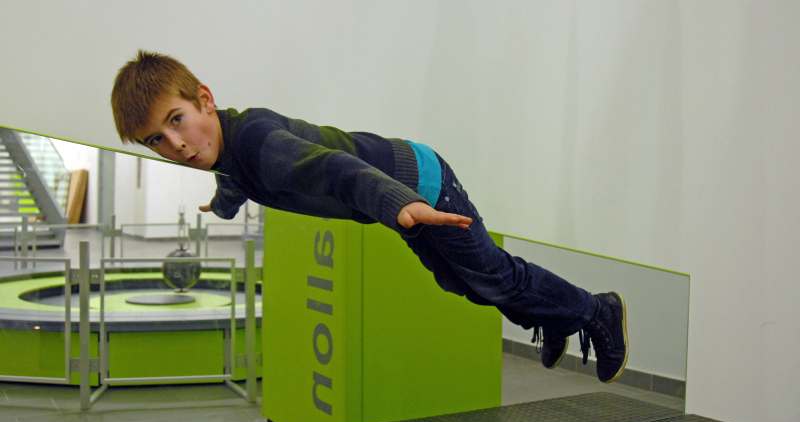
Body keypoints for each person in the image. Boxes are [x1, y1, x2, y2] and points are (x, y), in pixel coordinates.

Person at [110, 50, 628, 383]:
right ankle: (552, 317)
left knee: (493, 276)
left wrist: (400, 203)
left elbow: (338, 171)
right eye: (157, 139)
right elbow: (234, 178)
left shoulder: (258, 143)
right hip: (402, 196)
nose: (177, 145)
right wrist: (221, 205)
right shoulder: (228, 147)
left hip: (419, 185)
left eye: (177, 120)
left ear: (204, 99)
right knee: (461, 281)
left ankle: (595, 312)